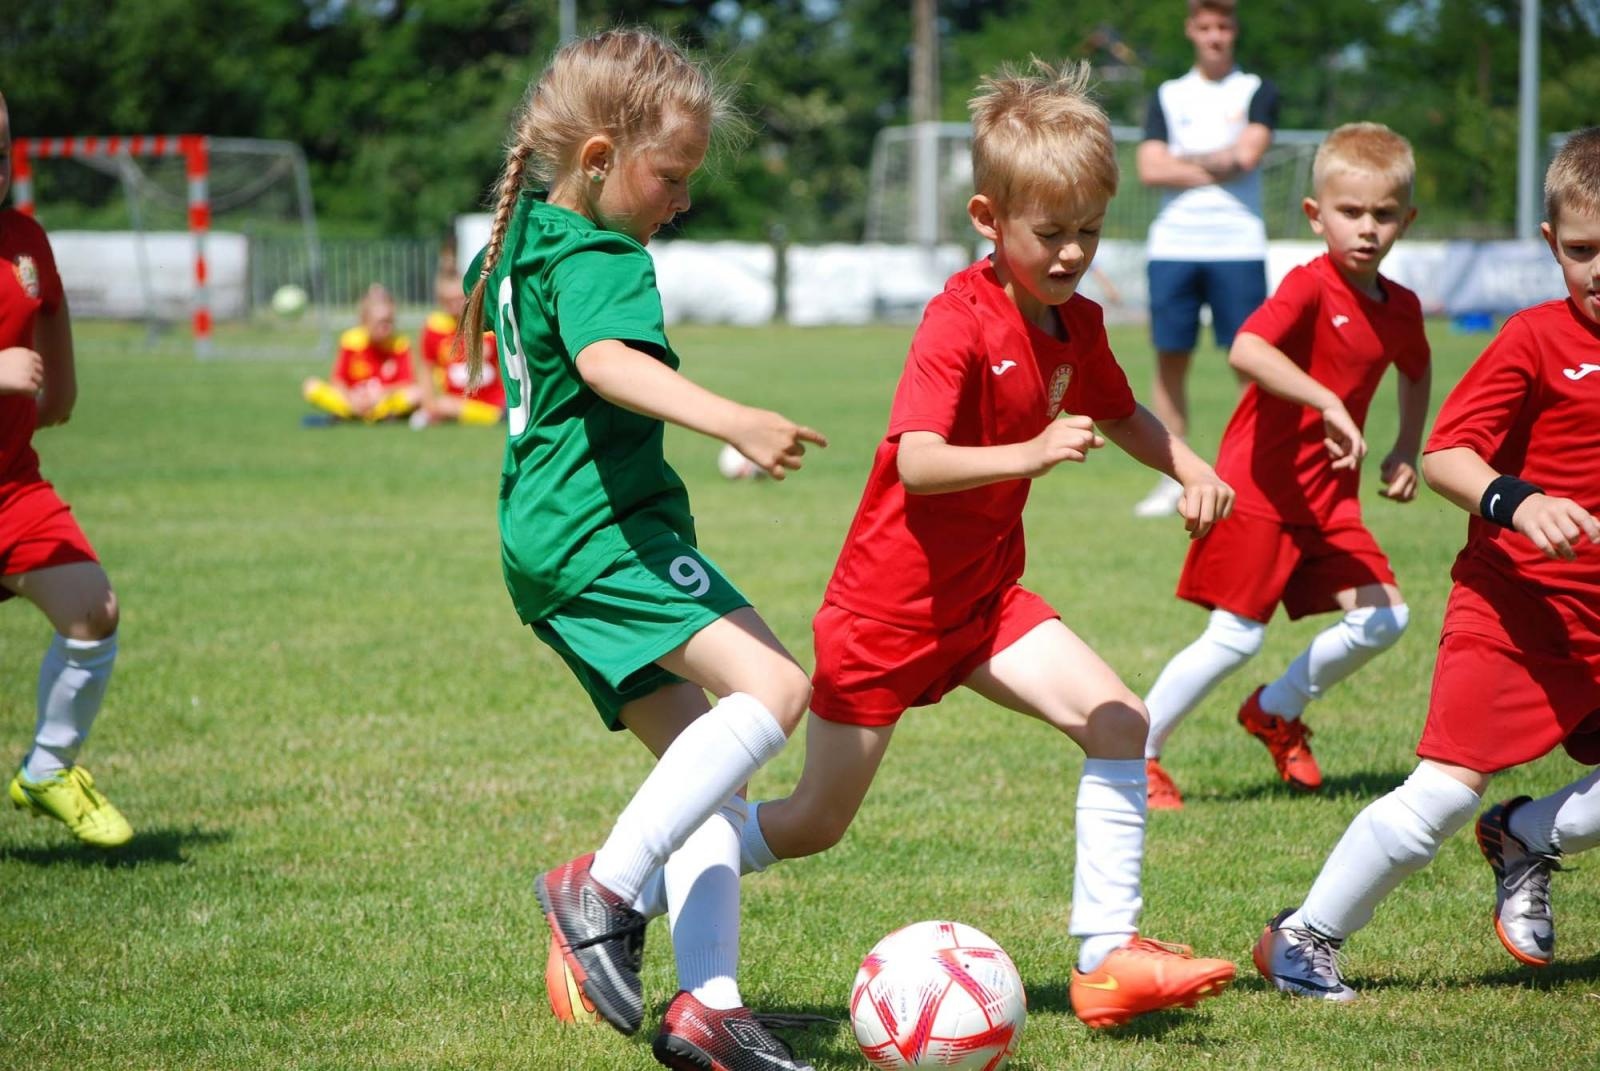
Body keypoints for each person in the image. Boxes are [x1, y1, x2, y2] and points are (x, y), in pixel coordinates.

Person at [582, 59, 1241, 1031]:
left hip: (983, 602)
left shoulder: (1075, 322)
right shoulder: (954, 323)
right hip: (886, 613)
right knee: (812, 824)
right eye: (1049, 234)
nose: (1070, 255)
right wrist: (1031, 450)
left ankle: (1107, 959)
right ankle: (628, 888)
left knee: (1118, 721)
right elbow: (919, 463)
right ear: (988, 218)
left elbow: (1121, 408)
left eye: (1088, 234)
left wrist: (1184, 464)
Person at [458, 29, 827, 1070]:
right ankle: (604, 890)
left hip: (544, 537)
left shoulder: (525, 233)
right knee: (775, 689)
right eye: (671, 174)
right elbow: (605, 358)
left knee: (707, 776)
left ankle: (709, 1008)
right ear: (598, 159)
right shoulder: (603, 254)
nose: (682, 198)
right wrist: (731, 419)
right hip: (599, 533)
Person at [1254, 126, 1600, 1002]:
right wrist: (1520, 502)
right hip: (1517, 606)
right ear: (1552, 244)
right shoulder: (1533, 339)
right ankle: (1304, 935)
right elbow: (1448, 452)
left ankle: (1526, 835)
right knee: (1443, 796)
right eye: (1585, 251)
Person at [1140, 122, 1431, 809]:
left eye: (1384, 215)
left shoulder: (1403, 308)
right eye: (1351, 212)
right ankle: (1137, 752)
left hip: (1331, 501)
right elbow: (1246, 350)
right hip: (1262, 488)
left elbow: (1415, 371)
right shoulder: (1309, 286)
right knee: (1235, 636)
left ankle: (1275, 709)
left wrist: (1403, 447)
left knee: (1384, 618)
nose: (1367, 229)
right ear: (1316, 214)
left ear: (1406, 220)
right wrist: (1326, 397)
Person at [0, 90, 131, 848]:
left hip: (12, 484)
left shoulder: (24, 239)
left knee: (92, 609)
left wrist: (62, 386)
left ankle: (48, 768)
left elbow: (47, 318)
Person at [1132, 0, 1278, 518]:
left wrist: (1185, 159)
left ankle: (1250, 475)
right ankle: (1172, 478)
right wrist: (1220, 163)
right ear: (1191, 30)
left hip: (1237, 244)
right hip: (1174, 244)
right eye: (1205, 27)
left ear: (1234, 30)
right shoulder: (1169, 95)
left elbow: (1248, 157)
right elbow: (1149, 167)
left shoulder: (1256, 89)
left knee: (1249, 361)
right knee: (1171, 359)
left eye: (1223, 26)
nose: (1215, 36)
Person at [301, 284, 422, 423]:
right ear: (365, 321)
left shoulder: (401, 344)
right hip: (353, 399)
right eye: (381, 323)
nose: (386, 328)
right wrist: (351, 397)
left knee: (416, 394)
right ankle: (370, 415)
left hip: (383, 400)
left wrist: (380, 394)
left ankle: (356, 415)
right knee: (310, 386)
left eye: (390, 322)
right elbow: (338, 380)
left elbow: (407, 382)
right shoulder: (351, 341)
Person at [412, 246, 504, 428]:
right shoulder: (434, 328)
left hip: (493, 402)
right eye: (449, 301)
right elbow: (426, 370)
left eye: (459, 299)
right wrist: (430, 406)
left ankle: (498, 416)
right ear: (441, 300)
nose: (455, 306)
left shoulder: (485, 323)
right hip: (454, 402)